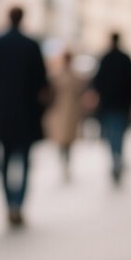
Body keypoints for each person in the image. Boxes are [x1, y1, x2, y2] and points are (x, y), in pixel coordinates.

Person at [0, 6, 49, 227]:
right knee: (25, 161)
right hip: (27, 114)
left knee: (4, 161)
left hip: (2, 113)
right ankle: (18, 204)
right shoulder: (31, 45)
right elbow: (42, 82)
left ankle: (9, 203)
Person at [92, 32, 131, 185]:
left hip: (109, 103)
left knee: (111, 133)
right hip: (122, 104)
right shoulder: (126, 59)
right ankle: (117, 158)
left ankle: (115, 158)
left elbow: (98, 82)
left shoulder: (105, 58)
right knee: (119, 133)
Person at [44, 50, 87, 180]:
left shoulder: (73, 76)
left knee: (68, 141)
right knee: (61, 140)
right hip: (60, 111)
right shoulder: (59, 75)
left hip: (70, 112)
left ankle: (66, 163)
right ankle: (64, 163)